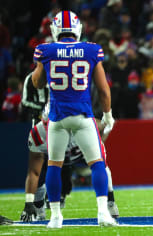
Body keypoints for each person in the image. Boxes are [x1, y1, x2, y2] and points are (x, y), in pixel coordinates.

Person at [31, 10, 116, 228]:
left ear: (55, 29)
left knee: (54, 166)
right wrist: (107, 114)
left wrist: (42, 65)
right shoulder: (91, 49)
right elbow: (104, 89)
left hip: (57, 117)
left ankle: (56, 217)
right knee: (97, 164)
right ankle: (102, 213)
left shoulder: (45, 50)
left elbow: (37, 83)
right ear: (78, 29)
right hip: (82, 115)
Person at [20, 106, 120, 222]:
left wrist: (98, 141)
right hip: (54, 158)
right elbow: (34, 172)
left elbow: (104, 125)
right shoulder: (38, 134)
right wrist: (29, 201)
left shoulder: (83, 126)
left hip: (81, 153)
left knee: (100, 164)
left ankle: (109, 201)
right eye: (50, 123)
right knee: (40, 173)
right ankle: (39, 207)